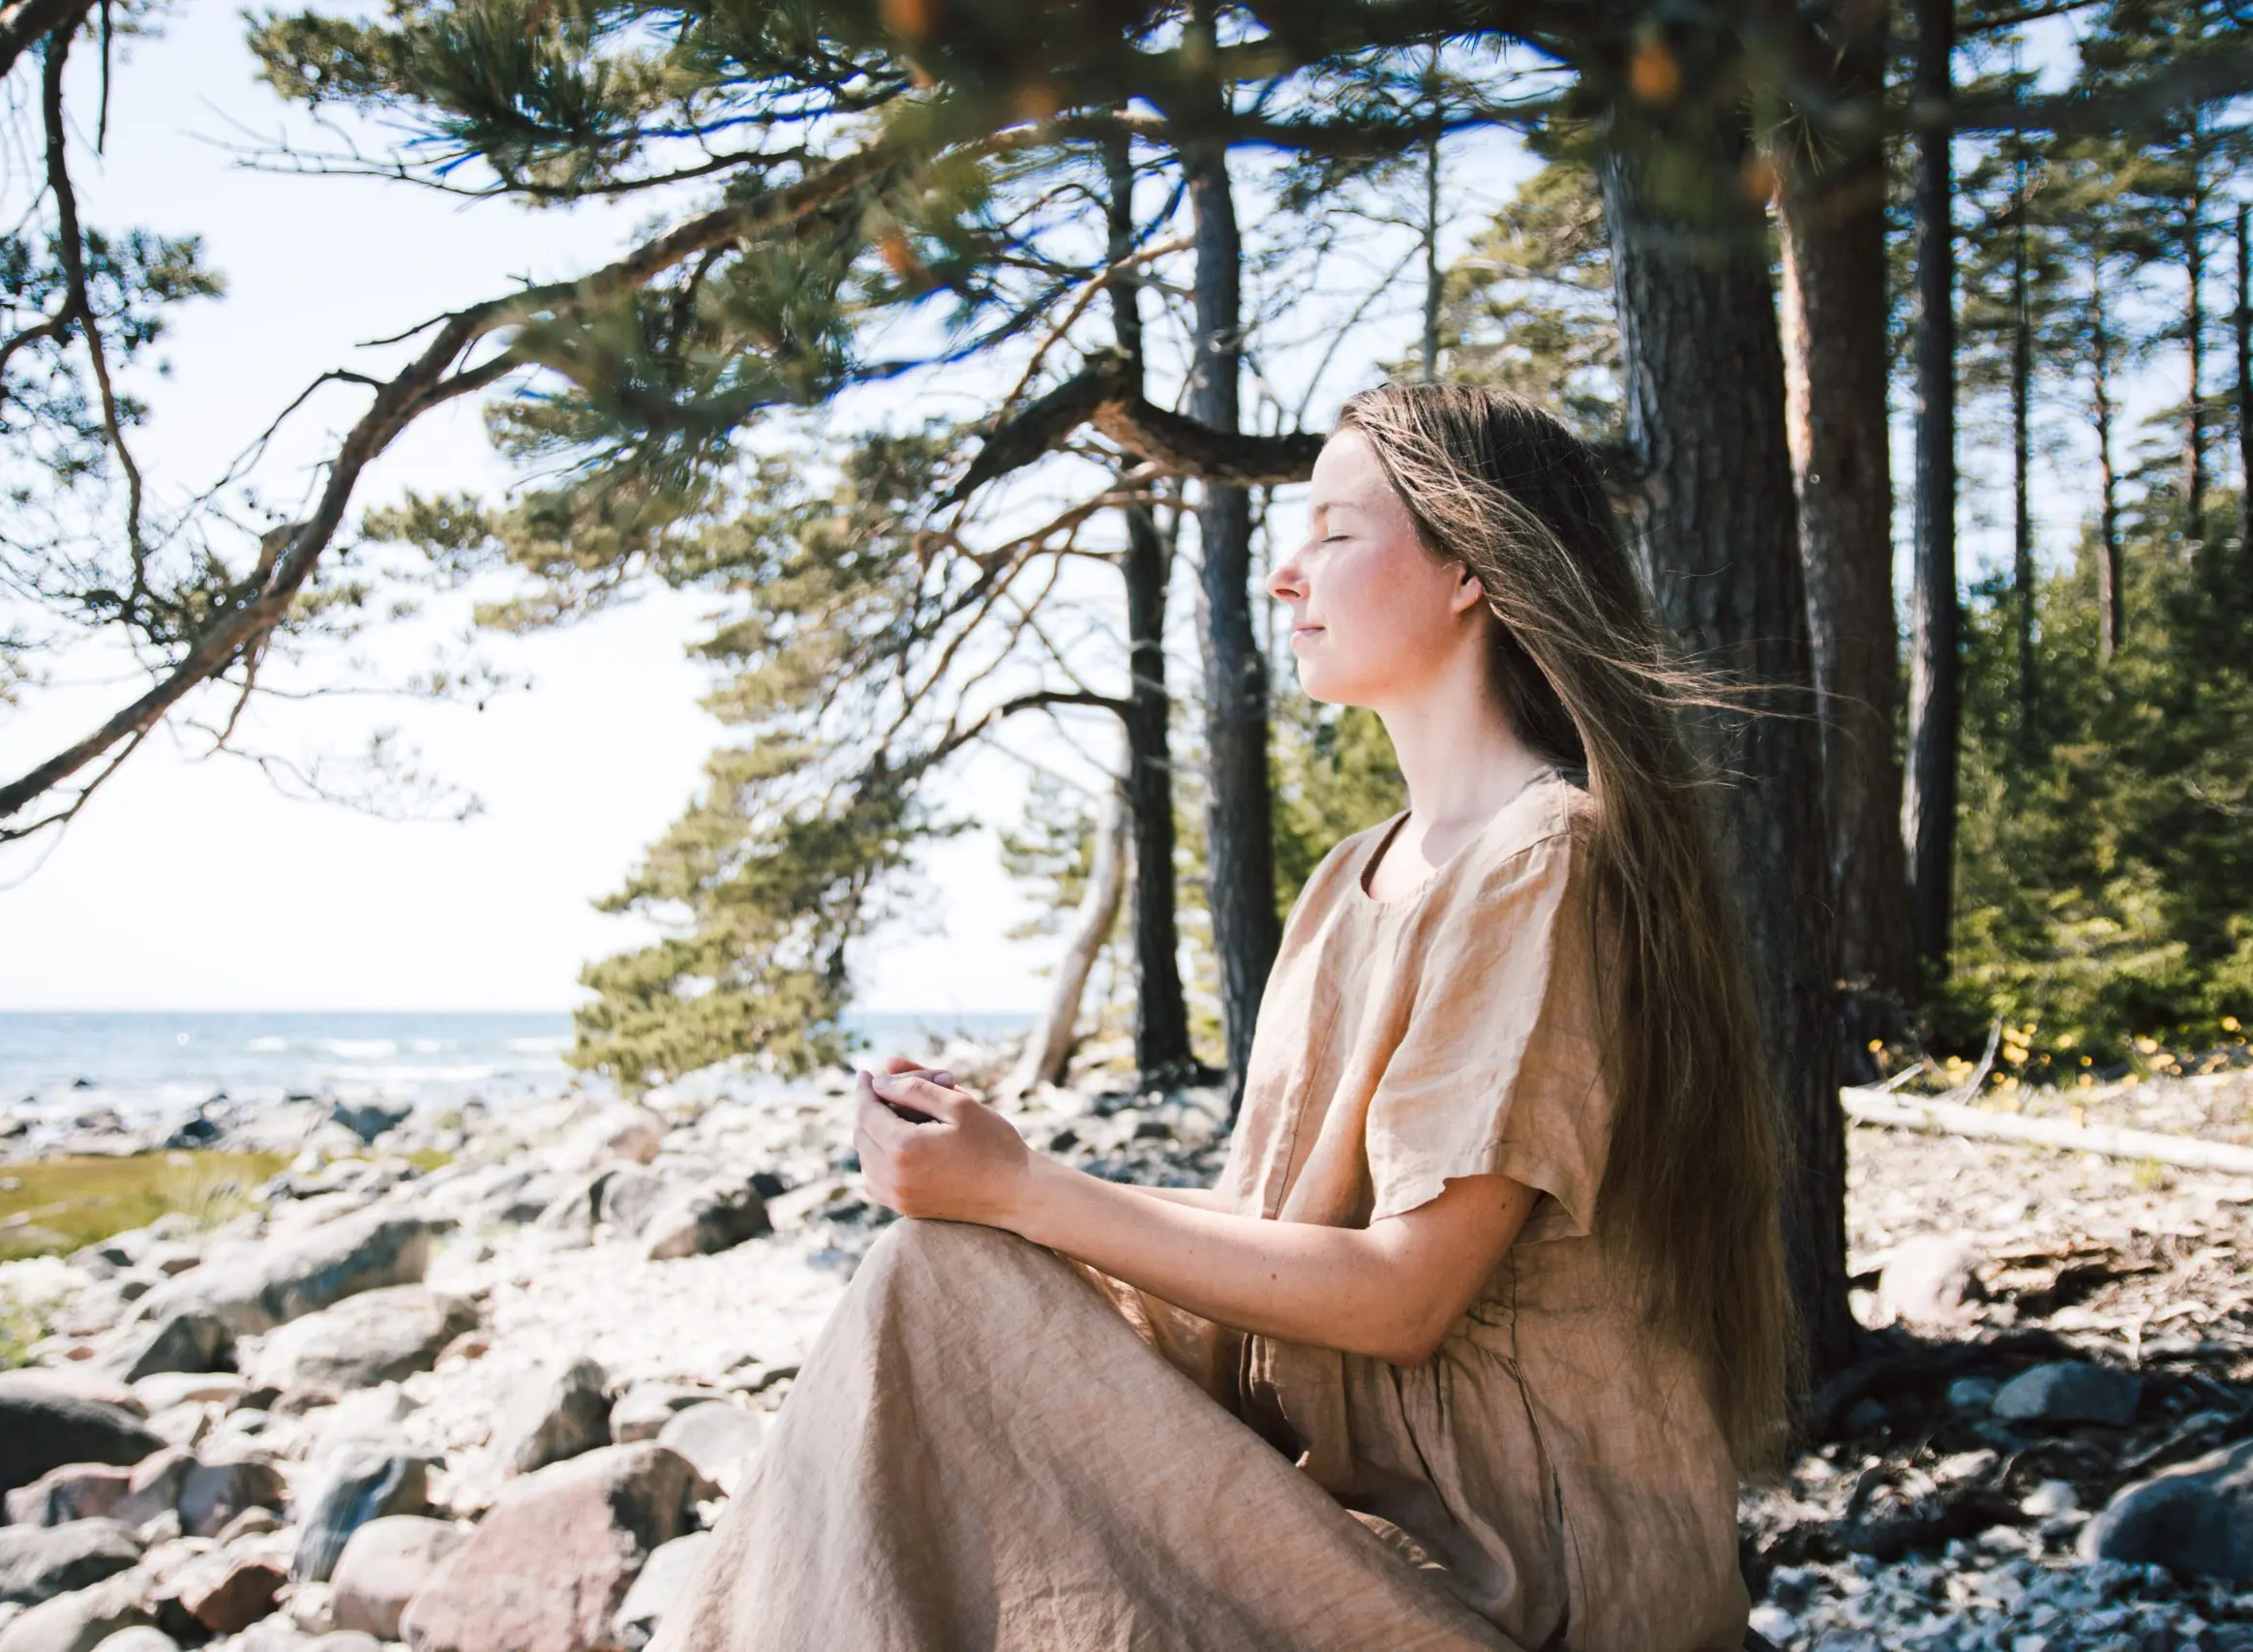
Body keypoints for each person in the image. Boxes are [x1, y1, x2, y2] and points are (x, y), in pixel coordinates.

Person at [649, 384, 1795, 1652]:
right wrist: (990, 1173)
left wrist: (1027, 1189)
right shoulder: (1346, 882)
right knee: (935, 1274)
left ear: (1469, 565)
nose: (1286, 574)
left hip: (1508, 1585)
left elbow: (1406, 1292)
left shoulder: (1543, 862)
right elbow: (1270, 1224)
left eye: (1335, 532)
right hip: (1346, 1502)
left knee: (951, 1289)